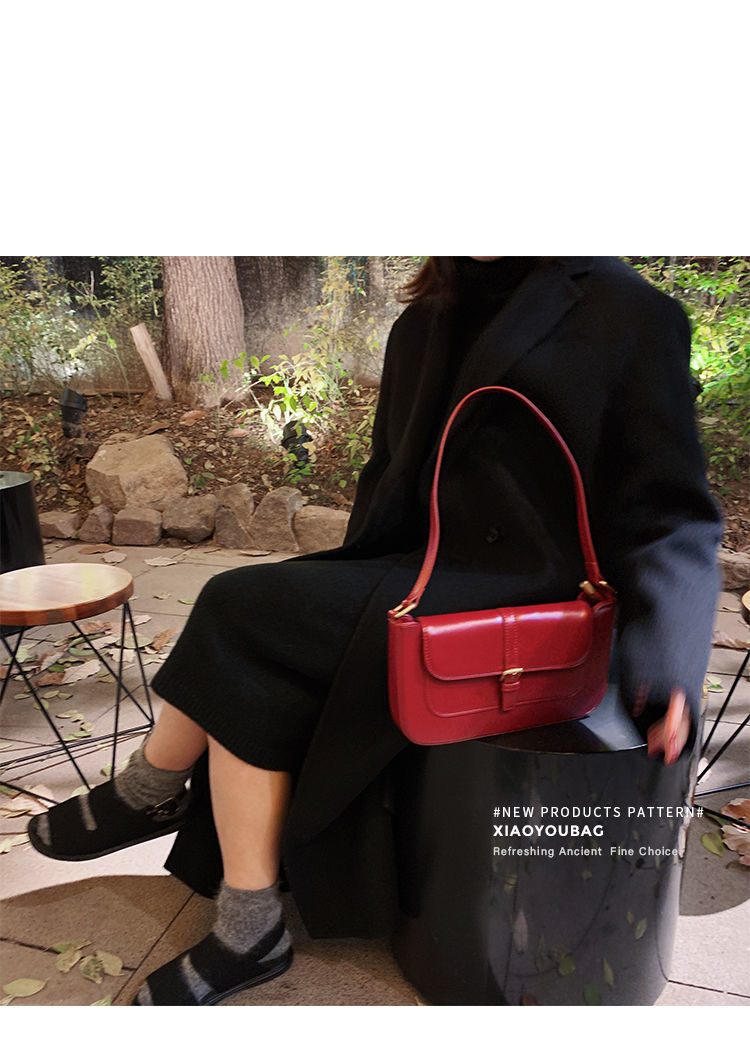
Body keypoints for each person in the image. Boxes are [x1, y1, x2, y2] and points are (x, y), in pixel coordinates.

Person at [27, 256, 724, 1006]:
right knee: (253, 642)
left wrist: (667, 667)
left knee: (238, 607)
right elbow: (388, 473)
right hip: (418, 570)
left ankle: (156, 798)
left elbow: (671, 511)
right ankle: (241, 916)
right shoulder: (423, 317)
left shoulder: (628, 310)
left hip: (536, 591)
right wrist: (343, 581)